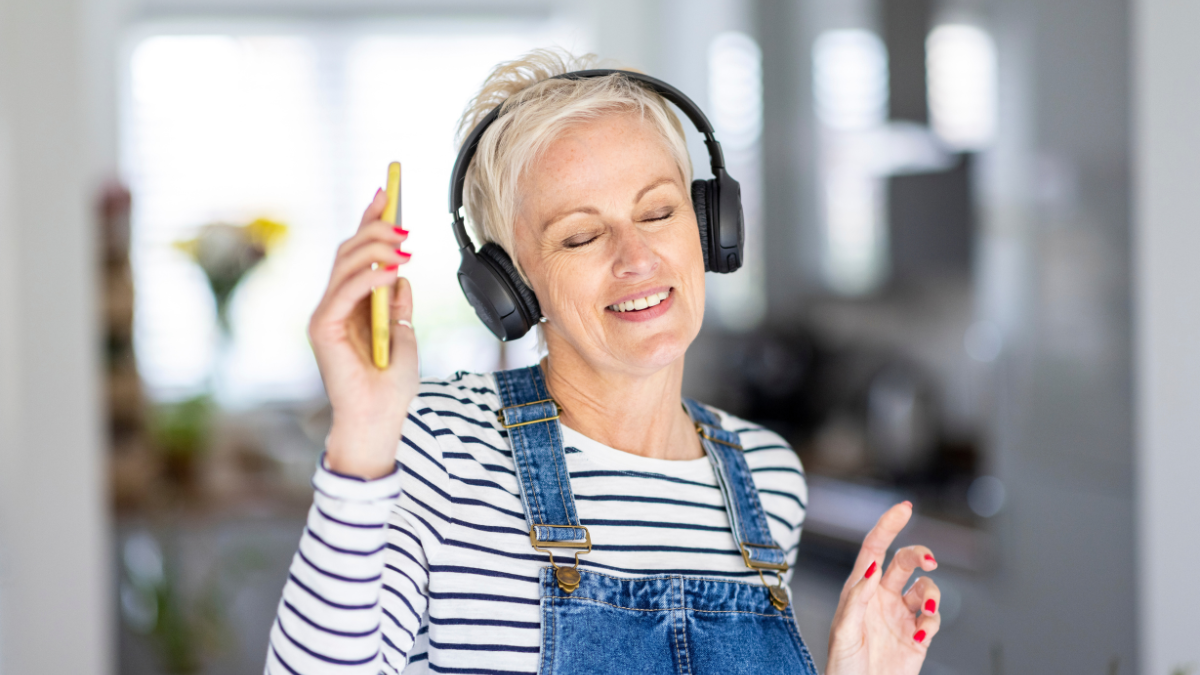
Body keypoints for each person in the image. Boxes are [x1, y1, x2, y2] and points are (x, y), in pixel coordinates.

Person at [265, 48, 941, 675]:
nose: (636, 257)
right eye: (581, 234)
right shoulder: (437, 442)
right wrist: (362, 434)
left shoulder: (767, 477)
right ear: (512, 287)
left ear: (711, 226)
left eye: (658, 211)